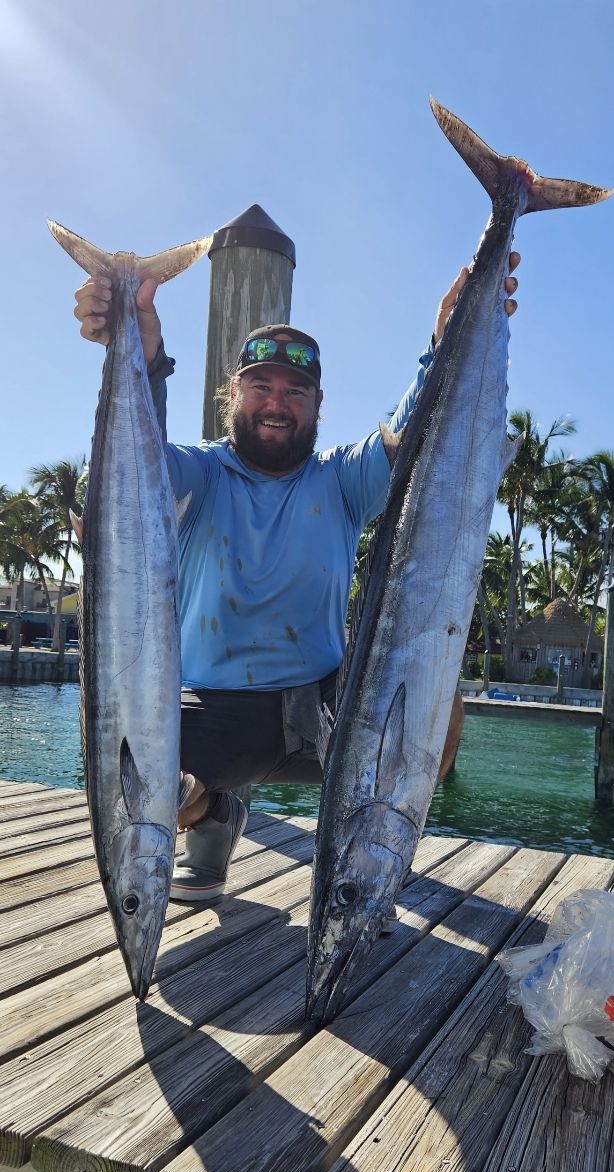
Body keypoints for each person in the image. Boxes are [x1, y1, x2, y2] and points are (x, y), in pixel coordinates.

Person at [73, 253, 520, 902]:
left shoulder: (342, 478)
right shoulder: (197, 476)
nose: (277, 403)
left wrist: (443, 342)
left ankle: (370, 864)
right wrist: (143, 361)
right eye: (262, 386)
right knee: (135, 777)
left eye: (295, 391)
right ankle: (217, 813)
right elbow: (107, 497)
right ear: (234, 393)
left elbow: (412, 436)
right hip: (216, 710)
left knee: (435, 697)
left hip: (324, 708)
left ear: (317, 404)